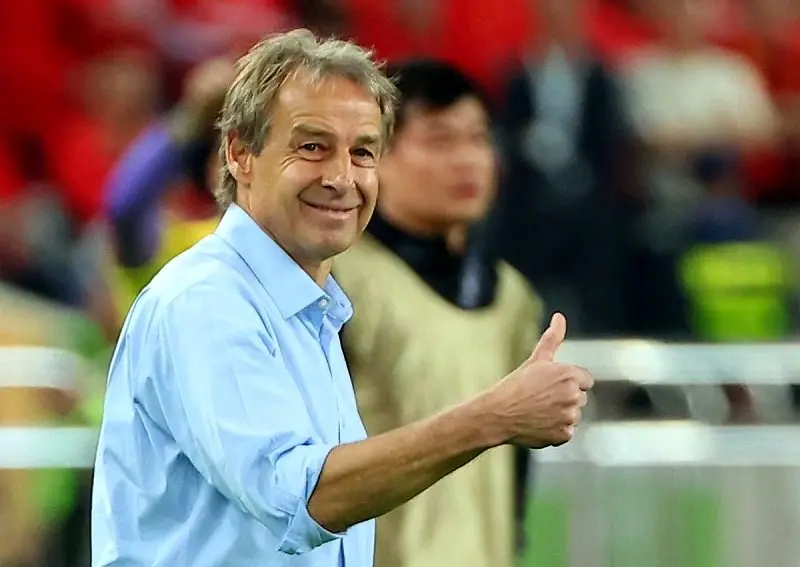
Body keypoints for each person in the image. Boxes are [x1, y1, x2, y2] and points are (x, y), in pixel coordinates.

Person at [91, 29, 593, 567]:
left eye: (363, 152)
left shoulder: (314, 308)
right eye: (312, 147)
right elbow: (299, 498)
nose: (341, 177)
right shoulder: (208, 301)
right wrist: (492, 418)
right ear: (239, 154)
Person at [333, 60, 541, 567]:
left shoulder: (512, 296)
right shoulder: (335, 281)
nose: (467, 161)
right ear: (377, 156)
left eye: (478, 139)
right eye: (440, 141)